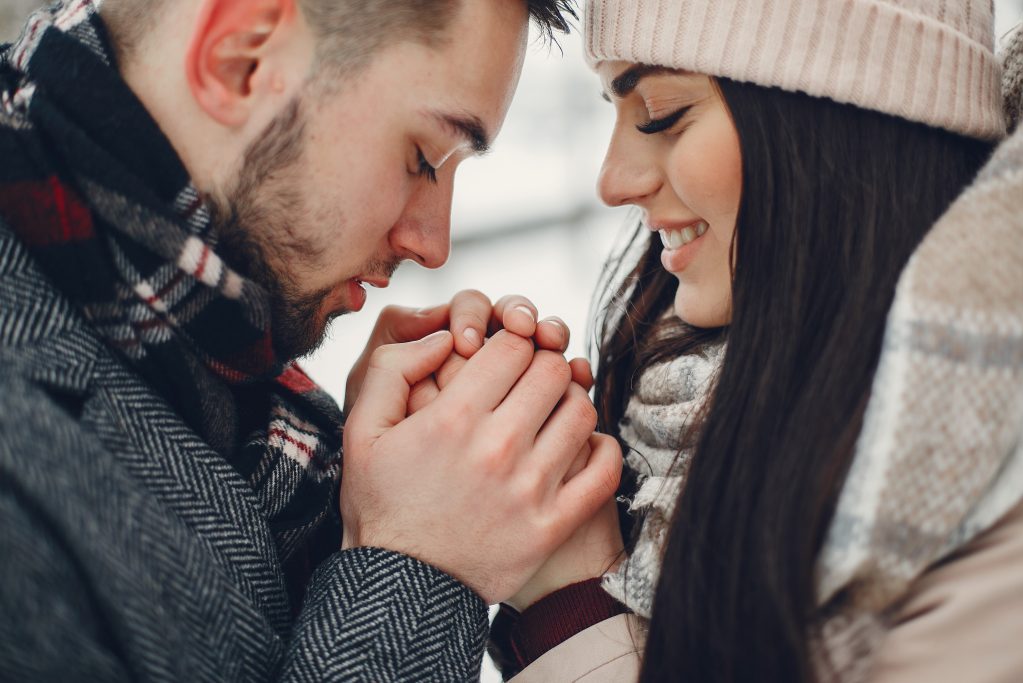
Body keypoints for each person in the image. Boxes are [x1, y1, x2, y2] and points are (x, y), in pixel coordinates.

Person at [0, 0, 625, 680]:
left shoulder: (226, 382)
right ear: (240, 58)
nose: (433, 243)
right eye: (423, 158)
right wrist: (414, 563)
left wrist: (371, 487)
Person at [485, 0, 1023, 681]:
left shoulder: (994, 491)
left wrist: (572, 602)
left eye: (660, 113)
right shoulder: (698, 381)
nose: (613, 180)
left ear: (836, 112)